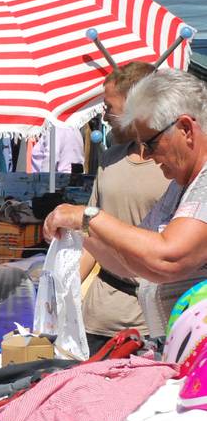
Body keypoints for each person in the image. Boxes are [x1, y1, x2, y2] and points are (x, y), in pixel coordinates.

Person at [45, 69, 207, 334]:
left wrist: (88, 217)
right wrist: (79, 232)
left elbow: (168, 258)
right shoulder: (182, 184)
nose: (149, 156)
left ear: (186, 129)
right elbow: (132, 262)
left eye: (151, 144)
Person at [79, 61, 167, 351]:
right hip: (98, 317)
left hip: (155, 322)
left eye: (109, 106)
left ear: (134, 106)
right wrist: (63, 294)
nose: (104, 116)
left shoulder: (174, 167)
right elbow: (89, 237)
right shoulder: (108, 159)